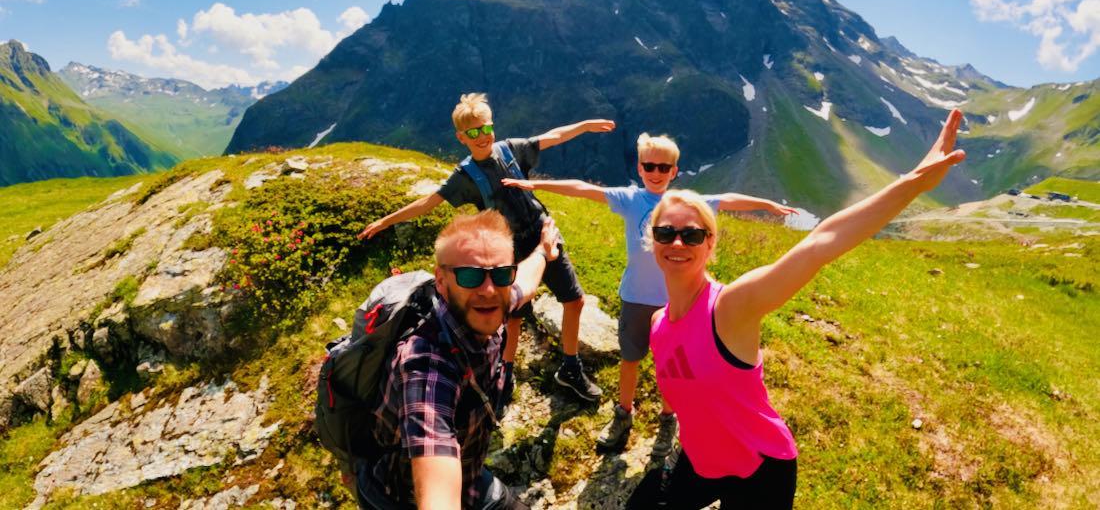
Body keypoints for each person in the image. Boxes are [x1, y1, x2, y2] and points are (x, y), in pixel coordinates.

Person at [626, 110, 968, 509]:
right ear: (652, 240)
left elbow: (820, 243)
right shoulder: (657, 324)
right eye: (667, 232)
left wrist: (912, 184)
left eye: (693, 234)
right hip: (700, 463)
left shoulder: (731, 307)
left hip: (760, 470)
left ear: (710, 244)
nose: (679, 243)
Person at [503, 133, 795, 459]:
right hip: (636, 299)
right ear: (640, 168)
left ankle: (667, 421)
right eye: (649, 165)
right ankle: (622, 415)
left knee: (670, 367)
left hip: (677, 305)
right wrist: (539, 186)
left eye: (663, 166)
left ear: (674, 171)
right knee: (630, 359)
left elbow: (726, 198)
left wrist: (766, 205)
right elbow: (585, 189)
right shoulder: (629, 199)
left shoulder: (683, 204)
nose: (656, 172)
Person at [358, 93, 614, 402]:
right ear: (461, 137)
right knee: (514, 317)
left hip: (544, 232)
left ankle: (570, 369)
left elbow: (551, 138)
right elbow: (430, 201)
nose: (482, 136)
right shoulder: (463, 177)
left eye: (486, 128)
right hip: (508, 250)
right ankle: (504, 373)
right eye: (474, 132)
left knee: (574, 301)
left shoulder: (511, 149)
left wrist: (584, 126)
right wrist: (387, 221)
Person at [358, 210, 559, 509]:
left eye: (501, 273)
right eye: (469, 275)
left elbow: (523, 285)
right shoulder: (426, 364)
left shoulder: (489, 303)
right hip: (396, 497)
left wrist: (543, 252)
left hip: (471, 477)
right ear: (441, 281)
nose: (489, 289)